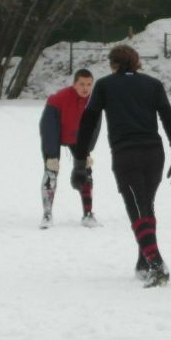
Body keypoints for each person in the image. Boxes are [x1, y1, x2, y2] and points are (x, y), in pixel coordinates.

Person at [74, 44, 171, 288]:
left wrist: (79, 160)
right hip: (155, 154)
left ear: (113, 64)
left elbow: (88, 121)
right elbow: (169, 116)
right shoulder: (152, 84)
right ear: (137, 62)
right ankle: (144, 262)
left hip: (126, 154)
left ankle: (156, 264)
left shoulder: (105, 85)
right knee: (145, 206)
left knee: (138, 210)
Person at [40, 69, 98, 229]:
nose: (85, 88)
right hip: (56, 132)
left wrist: (85, 151)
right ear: (74, 84)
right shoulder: (58, 99)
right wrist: (51, 154)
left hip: (78, 137)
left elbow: (94, 128)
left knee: (86, 169)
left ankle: (88, 213)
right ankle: (47, 214)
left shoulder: (94, 101)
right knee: (51, 169)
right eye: (81, 84)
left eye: (88, 84)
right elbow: (49, 127)